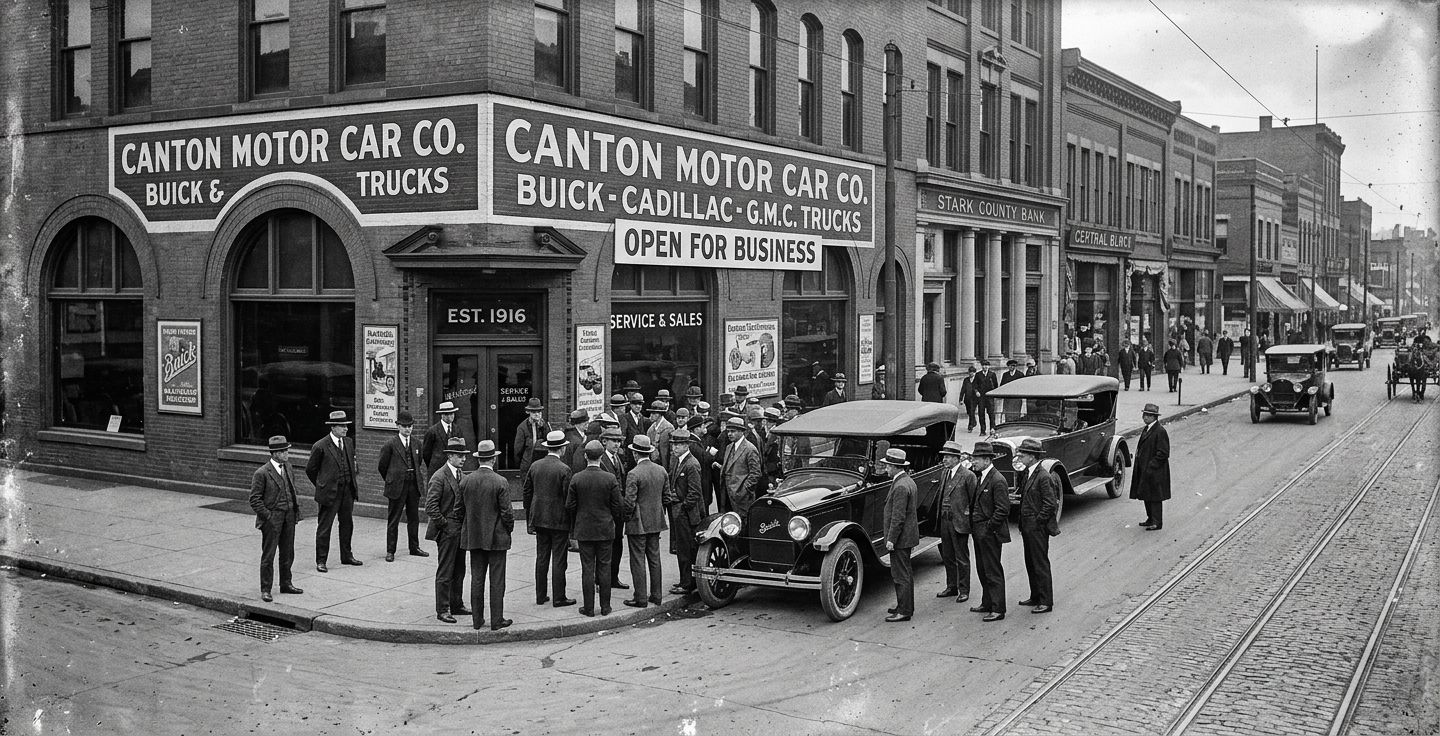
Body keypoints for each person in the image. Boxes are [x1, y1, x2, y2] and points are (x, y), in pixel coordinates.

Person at [458, 440, 513, 631]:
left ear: (479, 459)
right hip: (497, 538)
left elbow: (459, 510)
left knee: (477, 579)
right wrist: (508, 530)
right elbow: (507, 513)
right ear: (494, 459)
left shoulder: (466, 480)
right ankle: (497, 620)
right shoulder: (501, 481)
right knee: (497, 580)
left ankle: (477, 620)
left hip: (474, 537)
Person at [567, 440, 625, 617]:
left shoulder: (577, 478)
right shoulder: (610, 478)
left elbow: (570, 506)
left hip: (584, 530)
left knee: (587, 568)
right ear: (601, 456)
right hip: (605, 529)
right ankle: (605, 607)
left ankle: (589, 608)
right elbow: (618, 507)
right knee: (604, 567)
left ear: (586, 456)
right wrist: (613, 521)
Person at [523, 430, 576, 608]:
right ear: (561, 449)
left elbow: (527, 492)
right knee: (559, 559)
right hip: (559, 520)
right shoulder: (564, 469)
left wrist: (530, 516)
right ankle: (559, 597)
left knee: (542, 557)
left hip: (539, 518)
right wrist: (571, 523)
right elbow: (569, 499)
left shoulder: (535, 466)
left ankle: (541, 595)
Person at [249, 435, 303, 603]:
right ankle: (266, 589)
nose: (287, 453)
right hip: (273, 518)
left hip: (289, 515)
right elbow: (254, 499)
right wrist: (268, 516)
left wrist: (295, 511)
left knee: (287, 552)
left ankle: (286, 583)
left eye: (287, 450)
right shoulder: (262, 473)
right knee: (269, 555)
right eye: (283, 451)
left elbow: (292, 490)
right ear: (274, 453)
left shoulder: (288, 467)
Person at [306, 410, 361, 572]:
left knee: (347, 524)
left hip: (347, 491)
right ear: (333, 428)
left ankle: (347, 556)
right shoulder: (320, 446)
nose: (345, 429)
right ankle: (321, 560)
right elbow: (311, 470)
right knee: (325, 527)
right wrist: (322, 485)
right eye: (342, 426)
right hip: (329, 493)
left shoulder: (349, 442)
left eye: (346, 425)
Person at [425, 437, 471, 623]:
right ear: (450, 456)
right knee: (445, 571)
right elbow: (431, 507)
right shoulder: (439, 476)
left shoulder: (463, 475)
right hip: (446, 531)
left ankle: (456, 604)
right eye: (459, 456)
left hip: (460, 530)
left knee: (459, 569)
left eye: (464, 456)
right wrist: (445, 525)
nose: (463, 459)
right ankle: (442, 609)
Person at [622, 435, 669, 608]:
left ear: (635, 454)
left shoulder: (633, 474)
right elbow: (667, 498)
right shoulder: (661, 470)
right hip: (655, 521)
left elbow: (629, 502)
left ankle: (640, 598)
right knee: (654, 559)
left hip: (638, 523)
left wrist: (626, 518)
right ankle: (656, 595)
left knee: (638, 560)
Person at [377, 409, 429, 562]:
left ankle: (414, 547)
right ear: (398, 426)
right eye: (405, 426)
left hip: (413, 485)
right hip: (397, 486)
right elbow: (382, 466)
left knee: (414, 518)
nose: (408, 429)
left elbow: (418, 462)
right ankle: (390, 550)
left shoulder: (417, 443)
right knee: (394, 519)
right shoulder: (390, 445)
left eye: (410, 426)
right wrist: (392, 479)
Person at [1015, 438, 1058, 614]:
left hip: (1036, 528)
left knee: (1040, 563)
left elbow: (1050, 503)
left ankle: (1046, 601)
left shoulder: (1043, 476)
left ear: (1032, 457)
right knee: (1030, 562)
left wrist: (1038, 522)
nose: (1019, 458)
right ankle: (1035, 596)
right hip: (1027, 526)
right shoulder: (1028, 473)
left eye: (1022, 455)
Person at [967, 442, 1010, 622]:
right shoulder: (982, 476)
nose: (973, 462)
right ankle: (987, 602)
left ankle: (998, 608)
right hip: (979, 532)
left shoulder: (997, 480)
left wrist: (988, 528)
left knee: (993, 571)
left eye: (975, 459)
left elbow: (1002, 509)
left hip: (989, 533)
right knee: (982, 569)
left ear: (986, 460)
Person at [877, 448, 918, 622]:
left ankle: (904, 611)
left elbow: (898, 517)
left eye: (887, 466)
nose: (885, 469)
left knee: (900, 575)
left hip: (900, 538)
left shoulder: (900, 486)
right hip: (907, 536)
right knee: (905, 573)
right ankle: (904, 606)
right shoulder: (908, 481)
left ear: (895, 467)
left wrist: (891, 539)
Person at [935, 441, 977, 603]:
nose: (944, 459)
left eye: (948, 457)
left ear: (956, 458)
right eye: (944, 456)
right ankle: (951, 586)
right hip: (945, 521)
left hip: (959, 522)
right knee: (947, 555)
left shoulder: (968, 476)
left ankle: (964, 589)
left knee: (962, 558)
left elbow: (973, 501)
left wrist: (968, 519)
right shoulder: (945, 473)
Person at [666, 428, 704, 595]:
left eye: (678, 445)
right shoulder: (679, 461)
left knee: (686, 549)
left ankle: (687, 583)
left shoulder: (691, 464)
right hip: (680, 512)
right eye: (673, 444)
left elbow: (695, 492)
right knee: (682, 548)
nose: (674, 448)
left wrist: (683, 507)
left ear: (686, 445)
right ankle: (685, 580)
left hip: (687, 515)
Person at [597, 426, 630, 590]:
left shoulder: (618, 458)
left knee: (617, 543)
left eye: (619, 441)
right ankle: (601, 579)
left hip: (618, 511)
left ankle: (613, 577)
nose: (617, 444)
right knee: (605, 546)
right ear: (604, 442)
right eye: (614, 441)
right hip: (606, 510)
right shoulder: (601, 460)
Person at [1131, 403, 1171, 531]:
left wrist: (1151, 465)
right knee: (1146, 494)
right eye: (1144, 415)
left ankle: (1157, 522)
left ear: (1155, 417)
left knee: (1155, 497)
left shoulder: (1160, 431)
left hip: (1155, 471)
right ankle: (1150, 518)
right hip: (1145, 469)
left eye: (1148, 415)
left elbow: (1163, 453)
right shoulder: (1147, 428)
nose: (1145, 417)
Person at [720, 416, 762, 516]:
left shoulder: (750, 449)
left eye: (733, 431)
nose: (729, 434)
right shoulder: (729, 447)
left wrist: (744, 490)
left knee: (743, 524)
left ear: (741, 431)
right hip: (727, 495)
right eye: (728, 431)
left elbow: (756, 473)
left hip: (742, 497)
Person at [422, 400, 471, 477]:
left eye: (451, 413)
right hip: (436, 469)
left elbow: (461, 450)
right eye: (446, 414)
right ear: (441, 415)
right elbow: (426, 454)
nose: (449, 416)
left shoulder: (457, 430)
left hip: (454, 469)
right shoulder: (432, 431)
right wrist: (434, 463)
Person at [512, 398, 549, 477]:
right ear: (528, 412)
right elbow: (518, 450)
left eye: (539, 411)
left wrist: (543, 428)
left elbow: (549, 443)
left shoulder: (545, 425)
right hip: (528, 465)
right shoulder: (522, 428)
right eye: (534, 412)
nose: (537, 414)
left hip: (542, 464)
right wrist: (521, 464)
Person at [644, 400, 675, 469]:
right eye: (651, 413)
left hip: (665, 465)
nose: (651, 415)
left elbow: (672, 451)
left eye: (654, 413)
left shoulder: (668, 428)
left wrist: (671, 468)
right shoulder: (650, 429)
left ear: (660, 414)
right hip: (652, 465)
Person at [973, 361, 998, 434]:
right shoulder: (978, 375)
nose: (985, 367)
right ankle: (983, 430)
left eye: (986, 365)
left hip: (989, 397)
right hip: (981, 397)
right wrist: (976, 392)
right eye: (983, 365)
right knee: (981, 413)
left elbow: (996, 385)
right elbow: (974, 385)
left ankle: (992, 429)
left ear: (989, 366)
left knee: (991, 413)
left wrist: (993, 394)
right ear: (981, 366)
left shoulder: (992, 374)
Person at [960, 365, 981, 432]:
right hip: (967, 399)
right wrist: (961, 399)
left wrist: (978, 392)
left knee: (972, 411)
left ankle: (970, 426)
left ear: (975, 373)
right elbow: (963, 389)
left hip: (975, 399)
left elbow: (979, 388)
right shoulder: (966, 380)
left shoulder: (977, 380)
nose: (971, 373)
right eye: (970, 372)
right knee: (969, 412)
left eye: (973, 372)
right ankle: (974, 421)